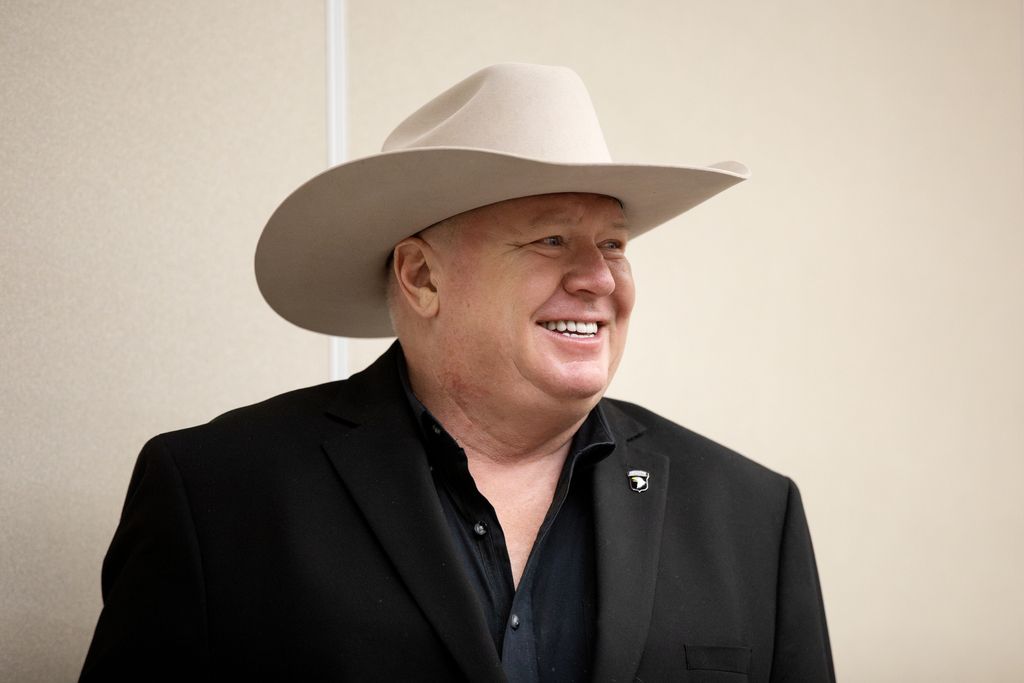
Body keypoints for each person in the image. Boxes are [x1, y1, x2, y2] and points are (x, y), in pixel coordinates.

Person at [81, 63, 834, 682]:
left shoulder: (752, 518)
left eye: (613, 244)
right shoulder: (219, 495)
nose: (600, 279)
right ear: (421, 277)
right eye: (550, 239)